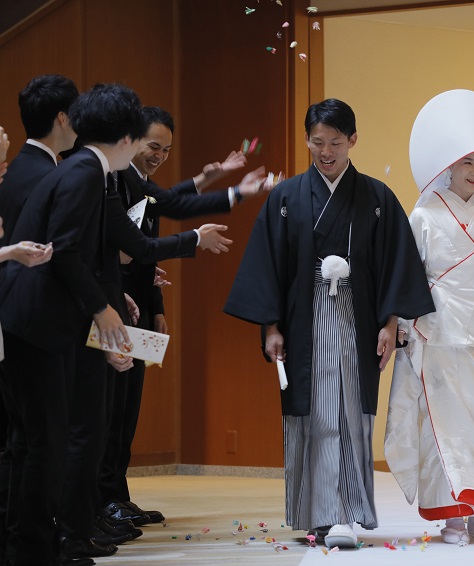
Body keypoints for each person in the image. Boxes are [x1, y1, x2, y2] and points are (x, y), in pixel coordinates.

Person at [224, 98, 434, 549]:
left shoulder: (377, 197)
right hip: (305, 318)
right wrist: (271, 327)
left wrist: (390, 323)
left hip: (358, 317)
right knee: (316, 414)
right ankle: (321, 514)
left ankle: (344, 512)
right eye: (317, 142)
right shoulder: (285, 198)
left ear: (353, 140)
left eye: (335, 142)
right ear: (307, 140)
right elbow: (268, 266)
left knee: (349, 412)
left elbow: (395, 264)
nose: (326, 151)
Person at [99, 105, 270, 528]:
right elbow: (164, 210)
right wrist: (232, 192)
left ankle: (116, 495)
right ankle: (102, 500)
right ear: (130, 140)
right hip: (111, 307)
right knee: (110, 410)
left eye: (166, 150)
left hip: (138, 306)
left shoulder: (135, 180)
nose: (159, 155)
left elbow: (162, 204)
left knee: (128, 409)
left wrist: (156, 305)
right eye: (153, 146)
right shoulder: (113, 179)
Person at [384, 89, 474, 545]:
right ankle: (453, 514)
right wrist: (408, 325)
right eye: (467, 162)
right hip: (442, 334)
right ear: (448, 164)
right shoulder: (425, 215)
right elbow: (408, 273)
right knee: (444, 428)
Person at [0, 74, 79, 566]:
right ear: (63, 117)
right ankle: (34, 545)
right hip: (33, 320)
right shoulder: (49, 177)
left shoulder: (18, 171)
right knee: (44, 439)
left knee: (23, 437)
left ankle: (8, 532)